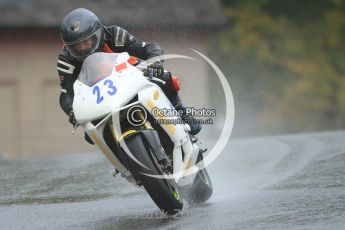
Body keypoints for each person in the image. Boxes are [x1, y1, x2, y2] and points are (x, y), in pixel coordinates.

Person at [57, 8, 201, 144]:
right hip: (100, 102)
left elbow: (148, 47)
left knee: (164, 77)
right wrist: (72, 111)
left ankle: (180, 111)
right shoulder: (65, 60)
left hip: (130, 80)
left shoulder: (114, 35)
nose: (82, 48)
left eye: (86, 41)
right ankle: (120, 163)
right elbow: (66, 93)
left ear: (97, 34)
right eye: (76, 45)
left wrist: (155, 63)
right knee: (90, 135)